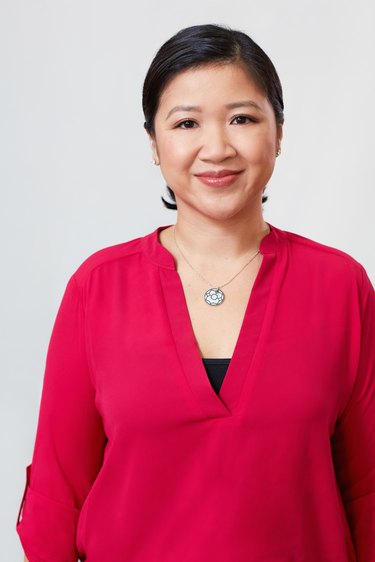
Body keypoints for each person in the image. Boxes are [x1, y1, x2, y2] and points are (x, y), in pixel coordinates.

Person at [16, 24, 374, 562]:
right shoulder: (97, 288)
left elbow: (367, 493)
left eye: (242, 118)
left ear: (278, 132)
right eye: (186, 122)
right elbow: (54, 498)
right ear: (155, 145)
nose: (217, 147)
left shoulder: (341, 286)